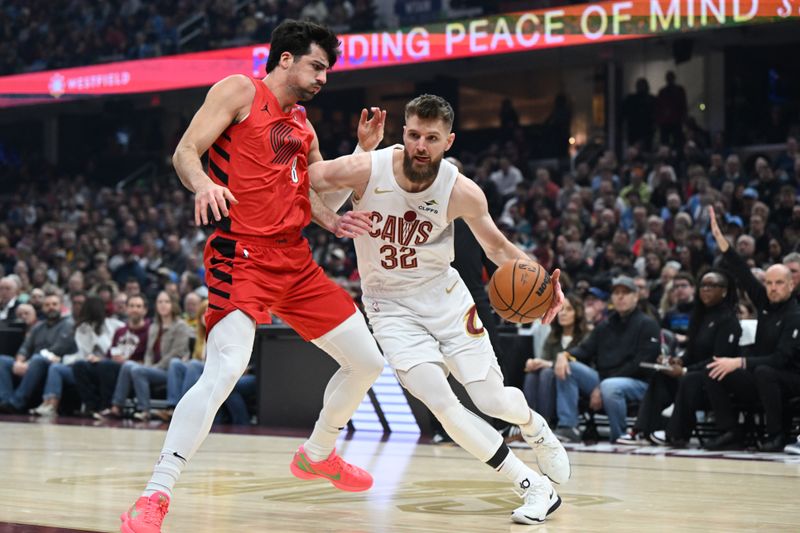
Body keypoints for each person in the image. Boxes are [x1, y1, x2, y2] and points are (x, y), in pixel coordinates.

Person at [120, 20, 388, 532]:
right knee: (223, 371)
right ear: (285, 59)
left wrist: (360, 155)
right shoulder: (240, 90)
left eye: (327, 69)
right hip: (240, 254)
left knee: (367, 362)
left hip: (295, 261)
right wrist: (202, 185)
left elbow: (315, 202)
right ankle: (155, 495)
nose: (323, 77)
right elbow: (185, 152)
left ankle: (318, 453)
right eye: (316, 65)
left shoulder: (304, 127)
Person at [310, 94, 568, 525]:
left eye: (431, 138)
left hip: (445, 301)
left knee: (491, 399)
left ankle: (534, 426)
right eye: (413, 135)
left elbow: (498, 248)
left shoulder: (461, 190)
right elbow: (308, 180)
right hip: (389, 308)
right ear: (404, 133)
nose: (420, 146)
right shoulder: (366, 167)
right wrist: (334, 212)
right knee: (443, 406)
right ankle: (532, 484)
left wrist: (545, 285)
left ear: (448, 141)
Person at [704, 207, 800, 451]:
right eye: (769, 283)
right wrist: (722, 241)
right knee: (716, 370)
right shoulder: (764, 301)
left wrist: (740, 362)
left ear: (791, 285)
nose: (773, 288)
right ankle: (730, 431)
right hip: (761, 372)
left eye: (779, 283)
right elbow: (742, 272)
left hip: (791, 377)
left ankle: (776, 435)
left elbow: (781, 359)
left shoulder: (795, 315)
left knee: (764, 371)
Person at [30, 296, 124, 416]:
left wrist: (97, 336)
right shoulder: (82, 328)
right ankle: (52, 404)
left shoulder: (115, 325)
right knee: (62, 367)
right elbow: (84, 354)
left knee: (101, 365)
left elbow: (111, 348)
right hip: (87, 365)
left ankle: (103, 406)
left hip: (109, 364)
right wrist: (63, 360)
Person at [522, 294, 587, 426]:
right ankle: (528, 422)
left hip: (576, 379)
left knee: (547, 373)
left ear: (578, 313)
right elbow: (543, 360)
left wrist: (547, 364)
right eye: (561, 310)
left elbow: (581, 364)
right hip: (551, 380)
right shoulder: (553, 336)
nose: (563, 314)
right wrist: (533, 363)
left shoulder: (586, 335)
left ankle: (545, 423)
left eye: (569, 310)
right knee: (532, 375)